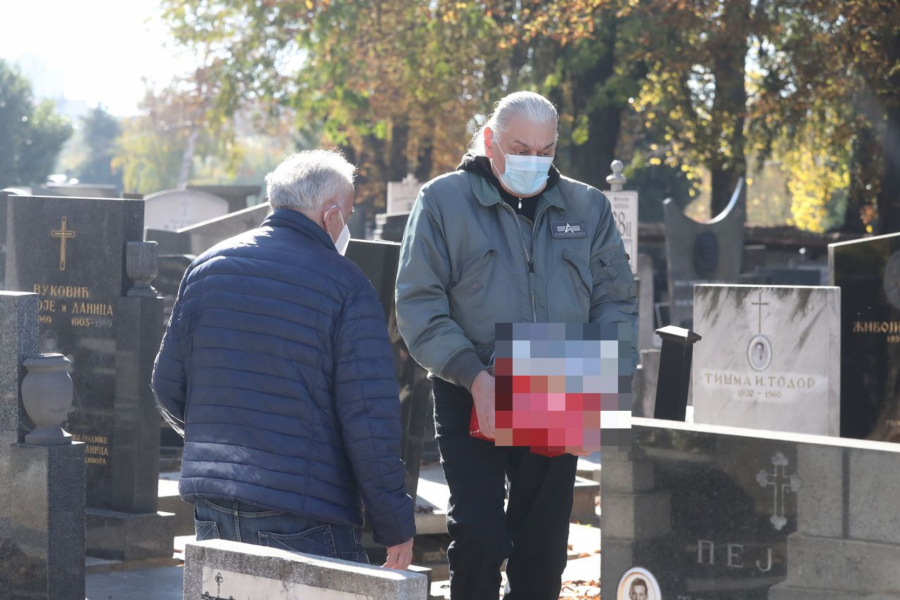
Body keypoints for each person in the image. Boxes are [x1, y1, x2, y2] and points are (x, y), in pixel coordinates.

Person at [395, 91, 638, 599]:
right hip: (473, 384)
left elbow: (615, 301)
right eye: (520, 147)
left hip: (560, 378)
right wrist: (472, 375)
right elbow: (419, 304)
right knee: (480, 540)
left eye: (545, 149)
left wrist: (602, 382)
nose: (534, 160)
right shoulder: (442, 201)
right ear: (489, 141)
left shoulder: (587, 205)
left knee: (543, 551)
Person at [151, 149, 416, 569]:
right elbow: (368, 418)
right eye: (346, 212)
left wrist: (222, 443)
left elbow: (167, 385)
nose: (345, 223)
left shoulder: (206, 268)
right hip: (305, 509)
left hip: (213, 503)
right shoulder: (346, 285)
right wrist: (395, 524)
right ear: (331, 214)